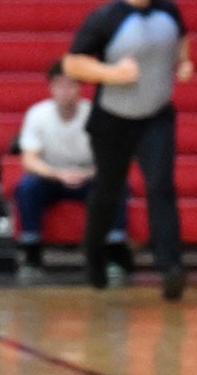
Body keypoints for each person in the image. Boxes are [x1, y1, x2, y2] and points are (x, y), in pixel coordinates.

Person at [62, 0, 193, 300]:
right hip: (112, 119)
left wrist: (184, 62)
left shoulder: (169, 10)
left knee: (160, 186)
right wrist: (112, 73)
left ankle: (171, 267)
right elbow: (73, 64)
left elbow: (180, 39)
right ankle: (93, 257)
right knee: (109, 190)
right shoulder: (105, 18)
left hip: (156, 116)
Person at [11, 62, 128, 282]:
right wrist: (57, 174)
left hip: (88, 177)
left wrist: (87, 173)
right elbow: (29, 159)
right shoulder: (38, 114)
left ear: (80, 88)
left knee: (117, 185)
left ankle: (114, 253)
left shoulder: (96, 114)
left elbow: (112, 160)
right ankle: (32, 254)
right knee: (26, 187)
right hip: (52, 177)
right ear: (51, 88)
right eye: (60, 85)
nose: (65, 91)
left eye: (71, 85)